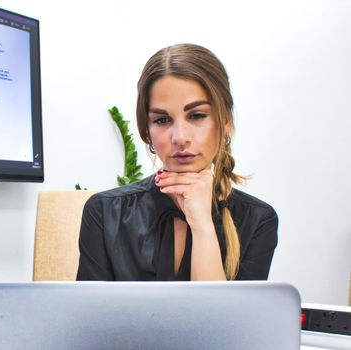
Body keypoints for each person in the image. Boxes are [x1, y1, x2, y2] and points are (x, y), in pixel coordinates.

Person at [76, 43, 278, 281]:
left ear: (226, 122)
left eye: (197, 116)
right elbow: (92, 317)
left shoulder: (257, 220)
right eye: (162, 120)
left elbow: (221, 318)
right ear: (147, 131)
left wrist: (202, 225)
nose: (180, 137)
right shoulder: (104, 212)